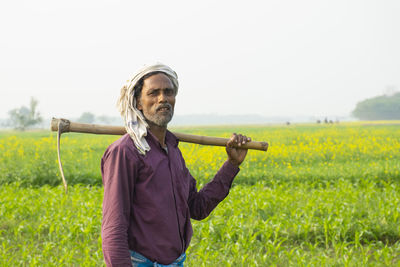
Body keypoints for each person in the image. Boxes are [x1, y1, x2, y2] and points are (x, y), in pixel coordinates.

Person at [101, 63, 251, 266]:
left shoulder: (172, 150)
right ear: (138, 102)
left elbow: (197, 208)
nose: (162, 98)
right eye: (153, 93)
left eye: (168, 92)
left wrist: (231, 164)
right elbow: (114, 228)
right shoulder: (125, 152)